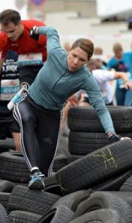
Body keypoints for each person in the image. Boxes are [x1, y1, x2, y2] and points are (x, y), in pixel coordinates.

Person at [10, 26, 125, 190]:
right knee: (27, 120)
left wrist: (111, 132)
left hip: (51, 115)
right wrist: (35, 30)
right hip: (28, 102)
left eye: (82, 60)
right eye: (74, 55)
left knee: (46, 168)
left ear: (87, 62)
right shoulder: (56, 52)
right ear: (69, 50)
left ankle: (39, 185)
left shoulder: (86, 78)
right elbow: (52, 32)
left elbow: (100, 108)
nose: (76, 62)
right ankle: (34, 172)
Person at [0, 9, 47, 110]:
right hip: (25, 64)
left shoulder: (38, 31)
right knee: (25, 92)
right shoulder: (3, 38)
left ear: (20, 24)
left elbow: (56, 58)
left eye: (12, 31)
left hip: (44, 62)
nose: (9, 35)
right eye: (5, 31)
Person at [61, 59, 132, 131]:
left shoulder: (100, 74)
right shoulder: (79, 83)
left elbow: (121, 74)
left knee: (108, 120)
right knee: (81, 107)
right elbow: (70, 103)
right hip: (89, 99)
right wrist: (62, 123)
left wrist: (126, 81)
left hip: (106, 100)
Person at [107, 37, 132, 106]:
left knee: (127, 104)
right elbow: (107, 74)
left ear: (121, 50)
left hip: (131, 83)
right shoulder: (112, 61)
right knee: (120, 106)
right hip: (119, 86)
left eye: (119, 53)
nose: (118, 55)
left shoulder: (128, 55)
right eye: (116, 54)